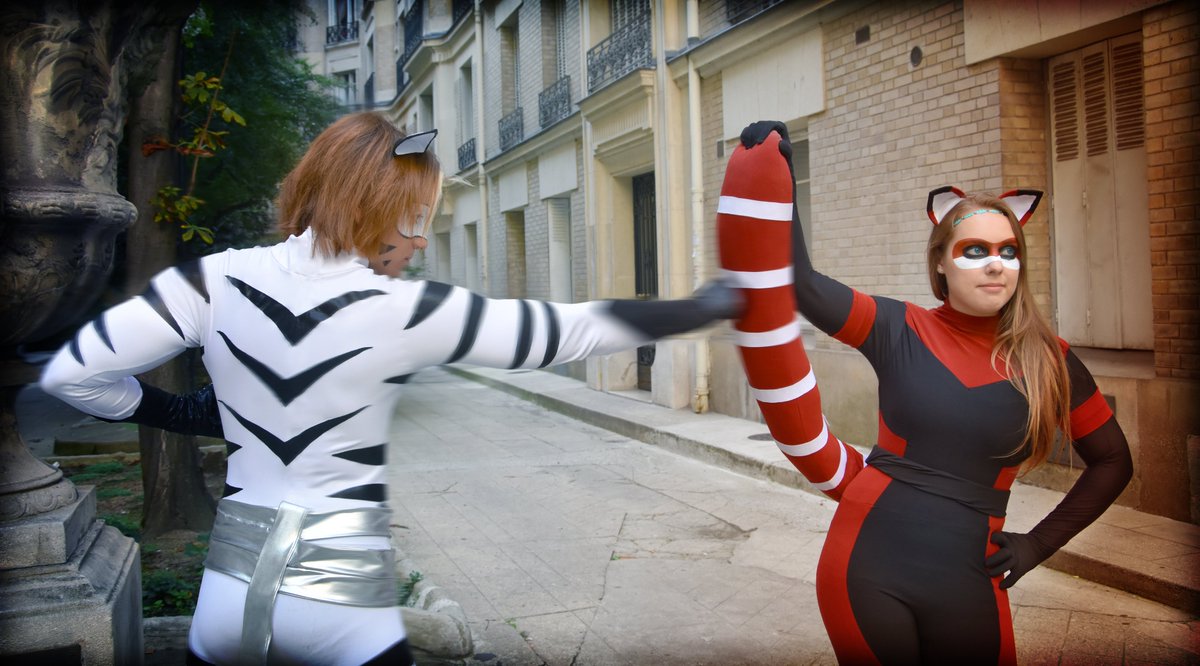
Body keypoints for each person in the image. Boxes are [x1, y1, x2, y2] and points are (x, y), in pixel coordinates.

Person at [39, 111, 740, 666]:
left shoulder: (211, 280)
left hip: (225, 600)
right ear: (378, 206)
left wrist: (178, 411)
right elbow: (568, 332)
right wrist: (710, 305)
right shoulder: (406, 310)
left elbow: (73, 374)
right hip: (345, 610)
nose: (421, 241)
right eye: (417, 219)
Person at [717, 121, 1132, 665]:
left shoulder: (1050, 359)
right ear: (940, 261)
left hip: (971, 578)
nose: (995, 264)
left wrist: (1037, 543)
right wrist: (779, 173)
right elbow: (803, 285)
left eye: (1009, 252)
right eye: (975, 250)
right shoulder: (899, 326)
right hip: (865, 566)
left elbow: (1113, 461)